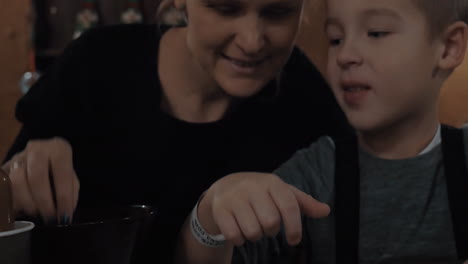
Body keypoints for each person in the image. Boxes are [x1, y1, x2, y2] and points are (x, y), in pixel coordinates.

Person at [1, 0, 350, 262]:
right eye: (225, 8)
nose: (252, 40)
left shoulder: (303, 94)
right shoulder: (97, 61)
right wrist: (19, 176)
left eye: (277, 12)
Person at [176, 0, 468, 263]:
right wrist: (210, 217)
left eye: (376, 33)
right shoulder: (311, 174)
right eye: (336, 39)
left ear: (449, 47)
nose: (345, 56)